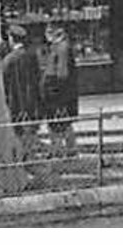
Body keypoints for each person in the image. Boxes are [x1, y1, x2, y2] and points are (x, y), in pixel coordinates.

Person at [40, 23, 79, 154]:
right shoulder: (57, 47)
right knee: (62, 124)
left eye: (50, 31)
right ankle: (67, 149)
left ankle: (61, 151)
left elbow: (62, 73)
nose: (47, 34)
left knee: (58, 124)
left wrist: (52, 91)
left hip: (58, 94)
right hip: (59, 93)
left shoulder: (61, 48)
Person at [0, 24, 42, 140]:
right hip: (33, 103)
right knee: (31, 134)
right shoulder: (31, 56)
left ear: (11, 38)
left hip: (16, 104)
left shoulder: (9, 60)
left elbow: (4, 83)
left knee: (20, 136)